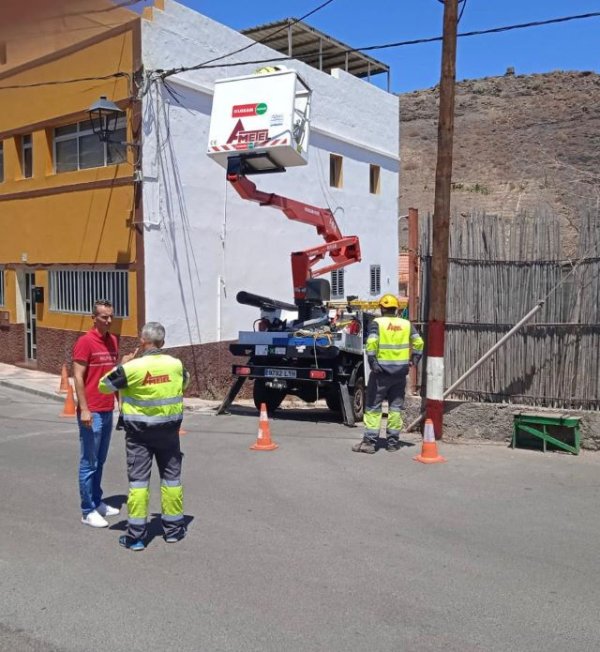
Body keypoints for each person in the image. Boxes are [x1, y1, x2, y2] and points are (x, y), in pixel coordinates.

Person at [99, 322, 189, 551]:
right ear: (163, 343)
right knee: (172, 480)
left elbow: (104, 386)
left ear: (142, 341)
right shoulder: (176, 365)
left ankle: (136, 537)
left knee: (138, 483)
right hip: (169, 432)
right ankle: (173, 530)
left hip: (139, 435)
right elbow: (184, 382)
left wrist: (122, 365)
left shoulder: (133, 368)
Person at [352, 294, 424, 454]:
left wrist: (372, 362)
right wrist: (414, 360)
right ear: (396, 308)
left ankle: (369, 443)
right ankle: (392, 442)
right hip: (400, 374)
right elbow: (419, 342)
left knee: (372, 407)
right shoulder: (406, 324)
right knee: (395, 408)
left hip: (380, 374)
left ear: (382, 308)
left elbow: (371, 343)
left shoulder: (377, 323)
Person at [73, 299, 120, 527]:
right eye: (104, 317)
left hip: (107, 408)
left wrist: (119, 403)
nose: (109, 320)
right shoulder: (85, 342)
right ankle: (87, 510)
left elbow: (114, 376)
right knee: (89, 462)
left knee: (100, 461)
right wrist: (84, 408)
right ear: (94, 318)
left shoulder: (112, 341)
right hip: (91, 411)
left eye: (111, 316)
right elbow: (78, 377)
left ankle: (97, 501)